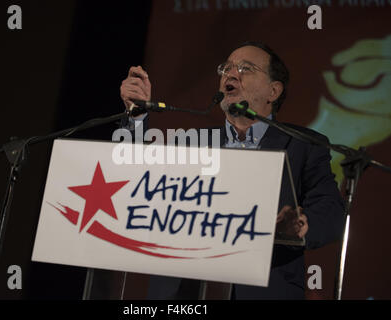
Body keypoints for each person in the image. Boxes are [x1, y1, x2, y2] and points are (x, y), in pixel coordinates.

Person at [119, 41, 345, 299]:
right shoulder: (192, 142)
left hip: (263, 289)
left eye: (245, 68)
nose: (231, 74)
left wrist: (301, 226)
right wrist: (136, 116)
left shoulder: (303, 144)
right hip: (185, 293)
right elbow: (135, 180)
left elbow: (331, 208)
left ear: (273, 91)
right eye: (226, 68)